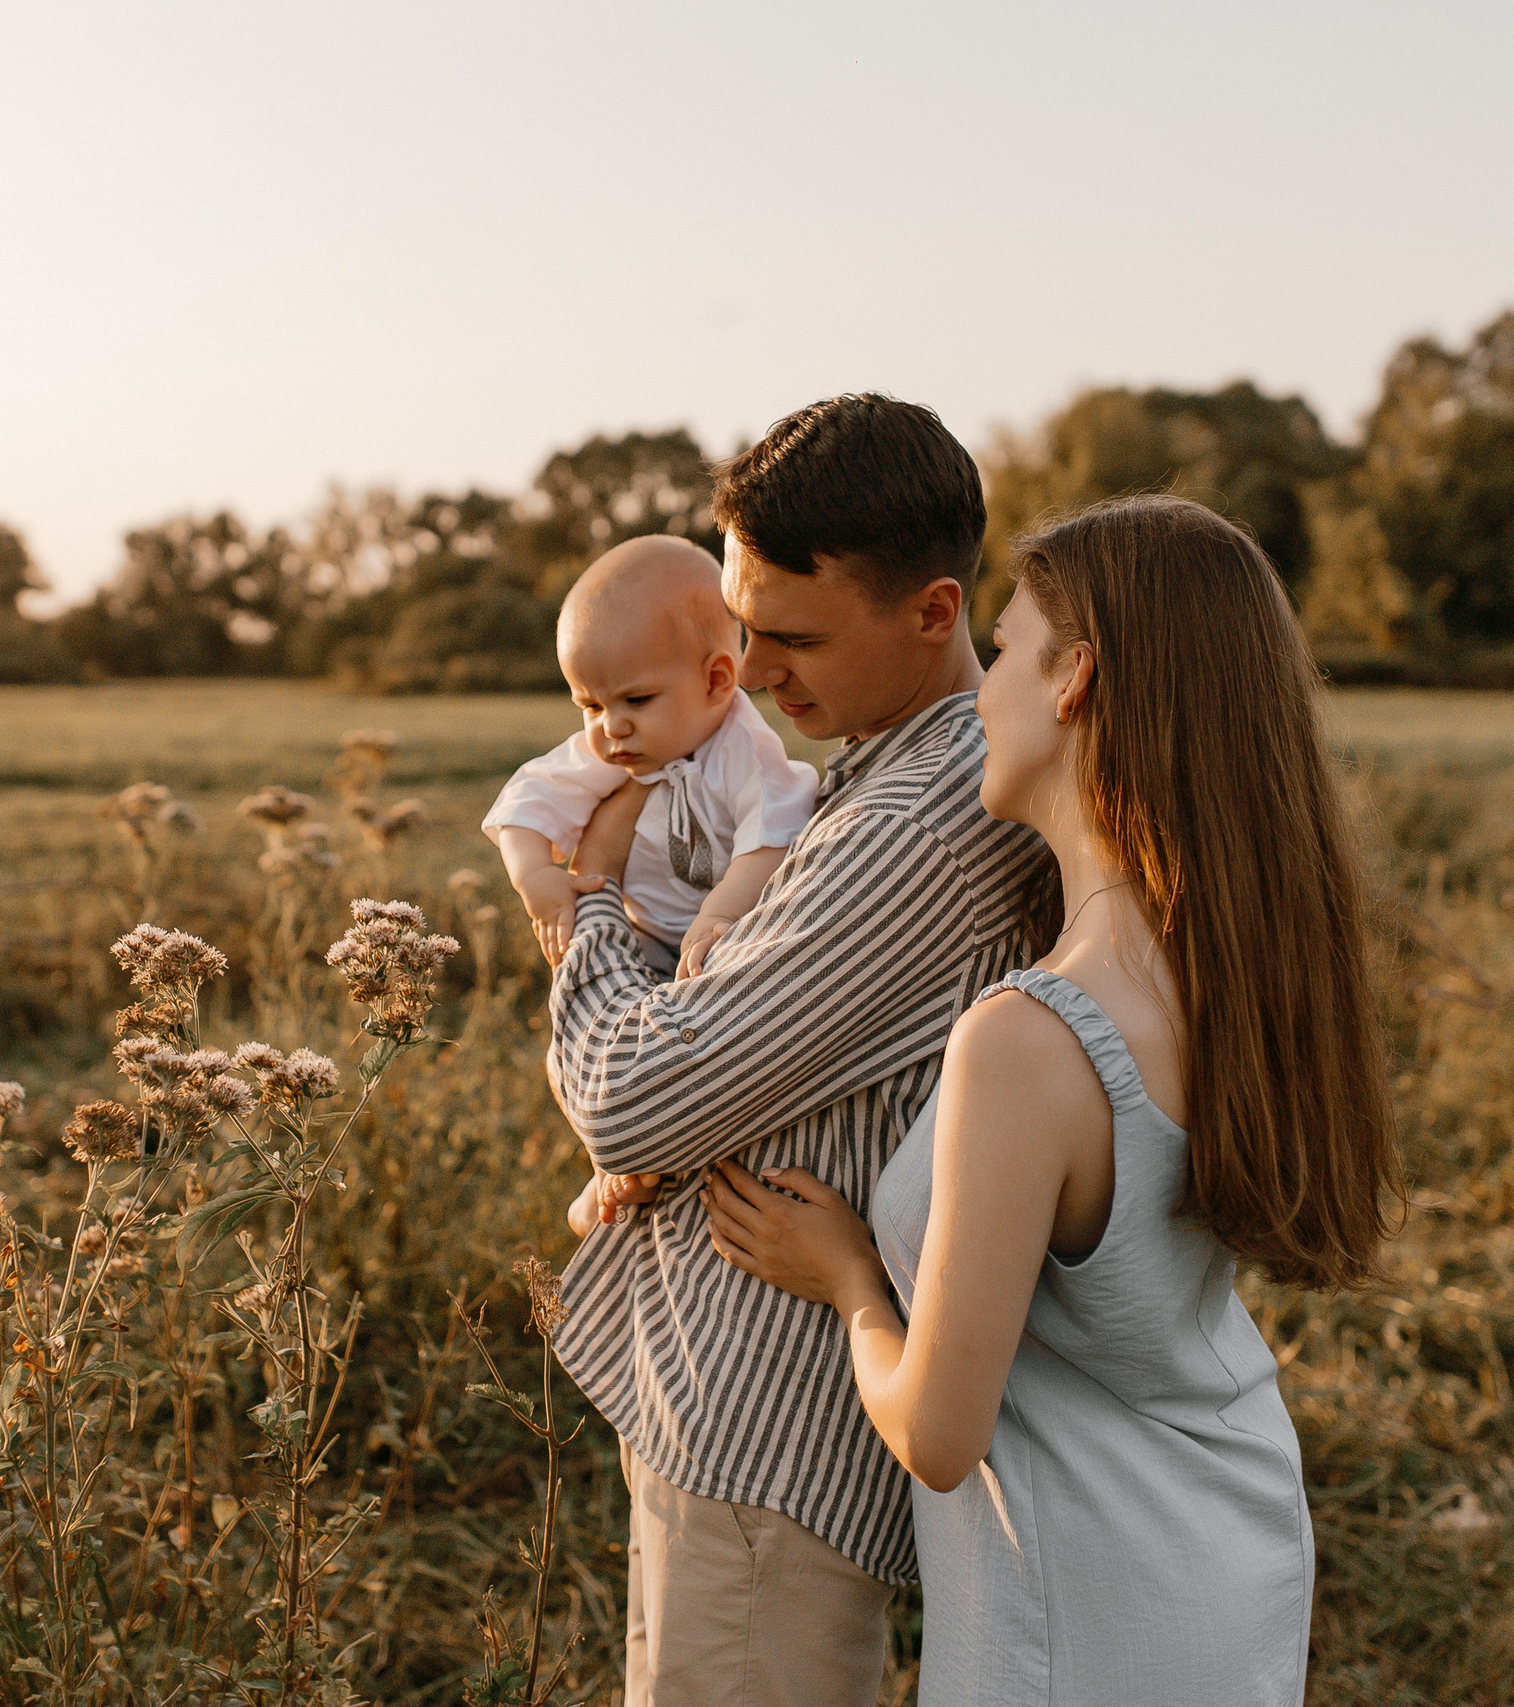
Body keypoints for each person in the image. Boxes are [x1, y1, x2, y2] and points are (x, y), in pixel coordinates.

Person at [700, 494, 1401, 1705]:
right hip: (1228, 1537)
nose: (981, 693)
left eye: (1006, 648)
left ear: (1075, 677)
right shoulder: (1234, 966)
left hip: (1083, 1604)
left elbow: (937, 1436)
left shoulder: (1029, 1041)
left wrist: (851, 1279)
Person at [544, 395, 1058, 1707]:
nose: (755, 670)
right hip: (729, 1409)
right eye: (742, 623)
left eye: (796, 636)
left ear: (934, 612)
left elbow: (633, 1101)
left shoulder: (915, 826)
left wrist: (588, 902)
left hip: (767, 1437)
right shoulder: (877, 770)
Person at [482, 534, 820, 1238]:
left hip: (712, 953)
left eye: (636, 698)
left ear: (717, 681)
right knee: (575, 1044)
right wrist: (537, 876)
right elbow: (527, 800)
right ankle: (603, 1163)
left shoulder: (743, 750)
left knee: (685, 1063)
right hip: (639, 940)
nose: (610, 728)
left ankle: (649, 1155)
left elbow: (771, 834)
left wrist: (722, 913)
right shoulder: (619, 748)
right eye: (588, 705)